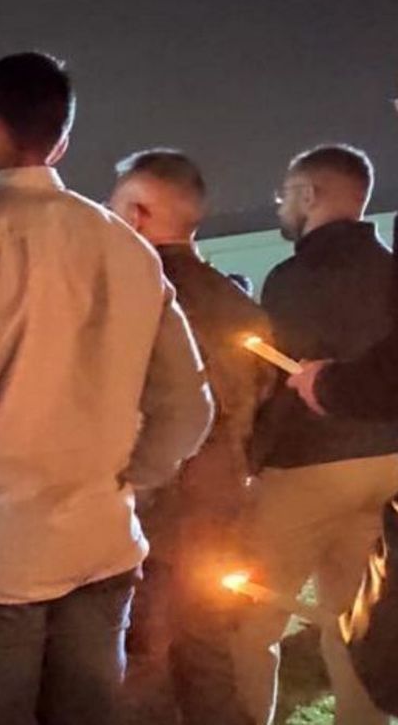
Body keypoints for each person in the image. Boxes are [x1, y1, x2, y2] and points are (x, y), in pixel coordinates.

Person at [0, 53, 214, 725]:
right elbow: (190, 405)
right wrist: (130, 476)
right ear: (59, 142)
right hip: (99, 544)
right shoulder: (128, 248)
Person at [108, 149, 277, 723]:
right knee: (210, 664)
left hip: (146, 517)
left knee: (142, 670)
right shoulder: (239, 306)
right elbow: (267, 408)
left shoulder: (130, 301)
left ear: (136, 212)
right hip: (221, 515)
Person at [232, 143, 398, 725]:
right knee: (355, 619)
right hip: (388, 467)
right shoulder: (391, 268)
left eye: (286, 194)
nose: (280, 206)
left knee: (249, 624)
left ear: (309, 195)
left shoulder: (293, 278)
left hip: (307, 465)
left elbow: (272, 382)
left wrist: (250, 457)